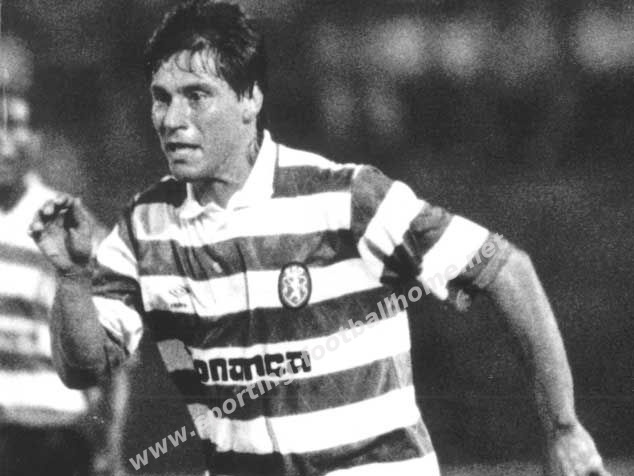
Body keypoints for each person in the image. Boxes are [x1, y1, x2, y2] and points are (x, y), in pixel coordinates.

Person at [29, 1, 610, 475]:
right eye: (161, 97)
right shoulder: (144, 225)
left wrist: (563, 427)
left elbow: (506, 269)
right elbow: (85, 369)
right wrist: (73, 278)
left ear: (250, 99)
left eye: (196, 95)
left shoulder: (348, 197)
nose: (171, 118)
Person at [0, 35, 128, 476]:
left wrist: (111, 446)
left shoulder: (68, 224)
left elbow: (115, 352)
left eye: (17, 126)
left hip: (54, 438)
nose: (6, 143)